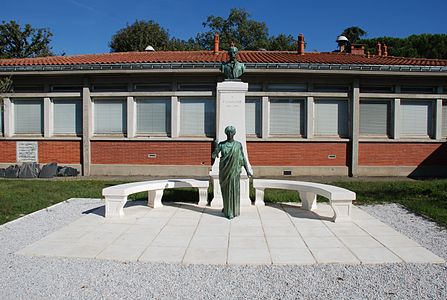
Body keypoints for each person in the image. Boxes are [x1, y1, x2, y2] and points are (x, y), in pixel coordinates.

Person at [212, 126, 252, 219]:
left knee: (233, 189)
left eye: (231, 133)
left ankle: (231, 211)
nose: (230, 135)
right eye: (228, 133)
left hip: (234, 172)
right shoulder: (221, 145)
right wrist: (216, 148)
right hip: (224, 172)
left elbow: (242, 158)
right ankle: (226, 207)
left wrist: (247, 170)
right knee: (225, 190)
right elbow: (214, 156)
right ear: (226, 134)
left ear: (234, 134)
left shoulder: (238, 145)